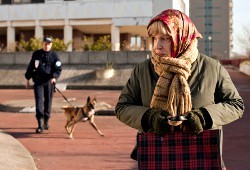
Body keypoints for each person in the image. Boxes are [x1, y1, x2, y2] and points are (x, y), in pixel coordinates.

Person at [114, 9, 244, 169]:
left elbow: (236, 105)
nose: (157, 46)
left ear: (183, 37)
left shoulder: (212, 67)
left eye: (165, 38)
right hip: (158, 157)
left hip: (202, 156)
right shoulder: (143, 70)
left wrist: (205, 116)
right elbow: (122, 108)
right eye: (153, 38)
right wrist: (149, 118)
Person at [25, 36, 62, 134]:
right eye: (45, 43)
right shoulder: (37, 54)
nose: (47, 45)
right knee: (39, 102)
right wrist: (27, 78)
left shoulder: (55, 56)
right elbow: (31, 67)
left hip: (49, 82)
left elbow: (58, 69)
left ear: (51, 45)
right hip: (38, 82)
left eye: (49, 44)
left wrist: (54, 77)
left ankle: (46, 121)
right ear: (42, 44)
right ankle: (40, 124)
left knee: (48, 102)